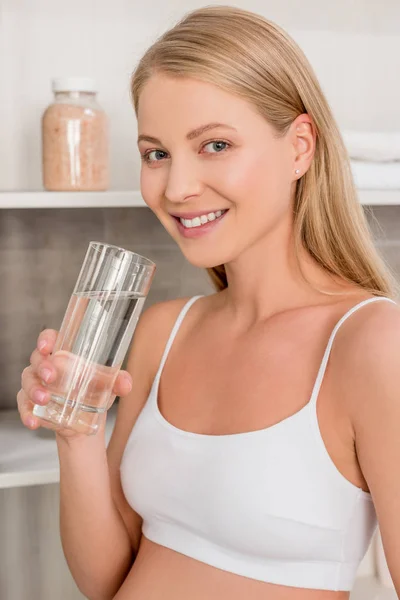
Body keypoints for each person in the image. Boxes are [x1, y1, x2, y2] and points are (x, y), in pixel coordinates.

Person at [17, 5, 400, 600]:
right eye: (155, 153)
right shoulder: (162, 331)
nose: (175, 187)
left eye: (215, 144)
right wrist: (77, 435)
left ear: (300, 147)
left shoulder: (370, 343)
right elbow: (107, 581)